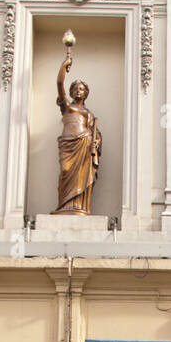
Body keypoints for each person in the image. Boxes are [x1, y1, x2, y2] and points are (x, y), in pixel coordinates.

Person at [53, 44, 101, 215]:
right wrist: (63, 67)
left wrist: (96, 141)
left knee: (83, 178)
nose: (78, 91)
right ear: (71, 92)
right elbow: (59, 84)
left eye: (81, 89)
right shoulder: (67, 106)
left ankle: (80, 207)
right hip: (69, 144)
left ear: (86, 93)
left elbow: (96, 134)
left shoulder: (89, 113)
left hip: (85, 144)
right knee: (65, 171)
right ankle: (65, 207)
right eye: (75, 88)